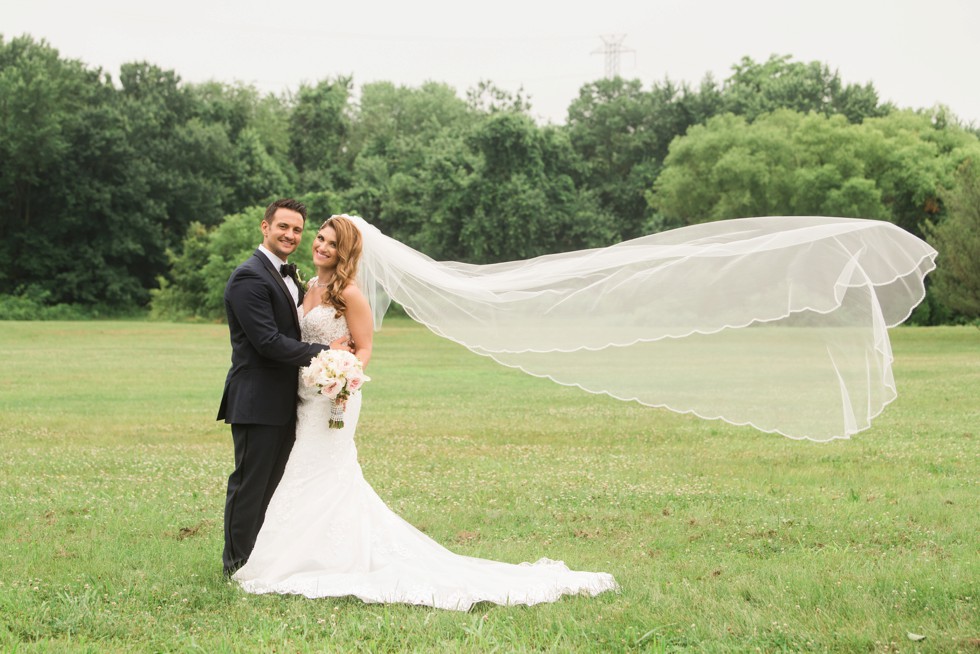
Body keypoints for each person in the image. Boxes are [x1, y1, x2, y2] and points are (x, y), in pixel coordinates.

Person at [232, 215, 619, 610]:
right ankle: (299, 552)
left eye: (332, 243)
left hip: (335, 398)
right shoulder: (309, 287)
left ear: (345, 251)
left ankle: (312, 558)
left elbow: (363, 349)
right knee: (303, 471)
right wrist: (324, 362)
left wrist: (343, 377)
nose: (321, 247)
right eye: (320, 238)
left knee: (320, 468)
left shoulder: (350, 293)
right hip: (304, 396)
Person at [217, 199, 351, 578]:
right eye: (283, 227)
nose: (291, 235)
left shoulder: (288, 275)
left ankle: (260, 559)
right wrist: (327, 352)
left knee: (273, 487)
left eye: (297, 230)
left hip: (287, 400)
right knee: (250, 486)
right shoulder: (250, 276)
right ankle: (236, 565)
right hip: (256, 400)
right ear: (265, 227)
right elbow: (268, 342)